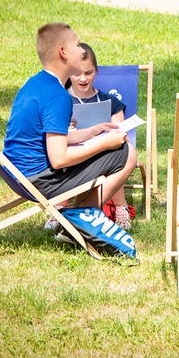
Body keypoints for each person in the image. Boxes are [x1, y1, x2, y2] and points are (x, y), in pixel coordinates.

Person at [3, 23, 138, 241]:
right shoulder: (58, 96)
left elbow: (51, 137)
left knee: (113, 147)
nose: (82, 51)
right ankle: (78, 220)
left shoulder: (36, 83)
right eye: (77, 45)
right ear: (63, 52)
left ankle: (76, 219)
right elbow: (59, 159)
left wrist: (93, 131)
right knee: (128, 153)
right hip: (40, 179)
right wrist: (105, 143)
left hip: (17, 173)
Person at [63, 42, 133, 229]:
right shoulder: (61, 100)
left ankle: (120, 207)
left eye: (88, 73)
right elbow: (53, 137)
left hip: (103, 151)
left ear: (96, 71)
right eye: (77, 73)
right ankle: (59, 208)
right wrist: (67, 130)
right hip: (72, 153)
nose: (82, 79)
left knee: (117, 153)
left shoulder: (109, 101)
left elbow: (121, 131)